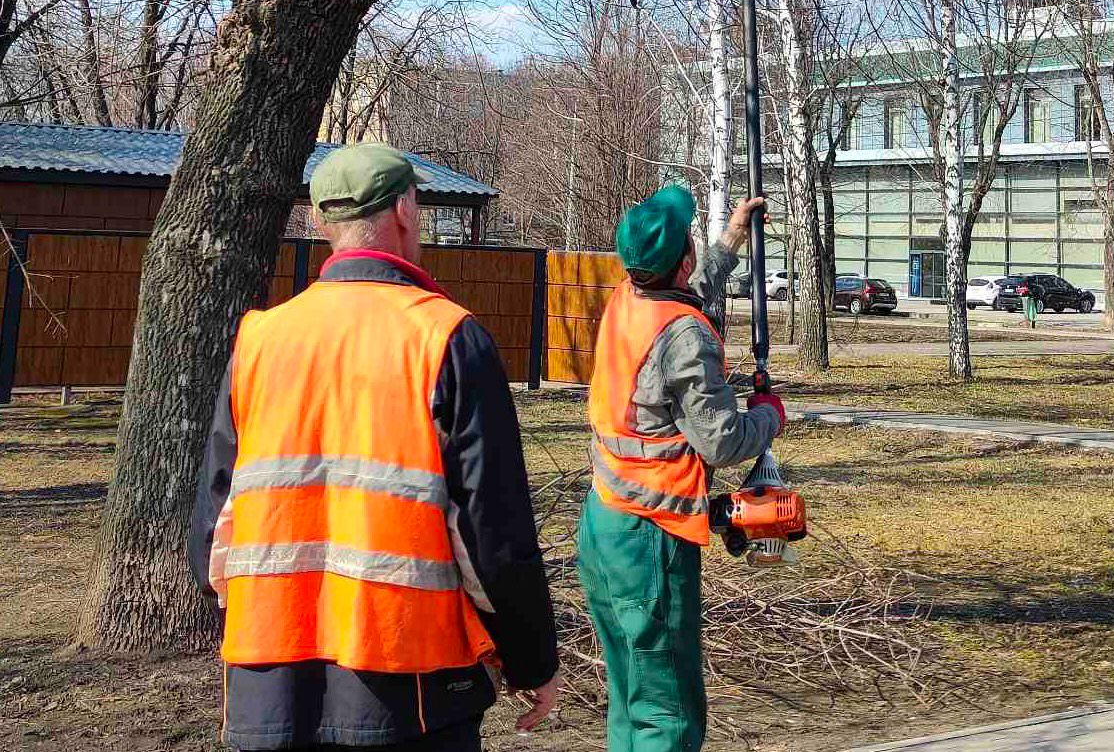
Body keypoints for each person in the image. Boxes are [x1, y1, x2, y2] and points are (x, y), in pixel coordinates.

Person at [189, 142, 561, 752]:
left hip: (267, 685)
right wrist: (530, 660)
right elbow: (492, 535)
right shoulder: (446, 337)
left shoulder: (258, 341)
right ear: (407, 210)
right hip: (409, 684)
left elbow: (216, 522)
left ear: (318, 221)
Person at [577, 186, 785, 752]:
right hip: (653, 538)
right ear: (683, 258)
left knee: (631, 700)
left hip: (605, 526)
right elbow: (721, 441)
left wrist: (731, 241)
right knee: (667, 715)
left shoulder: (627, 299)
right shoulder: (683, 334)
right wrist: (768, 417)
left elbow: (687, 295)